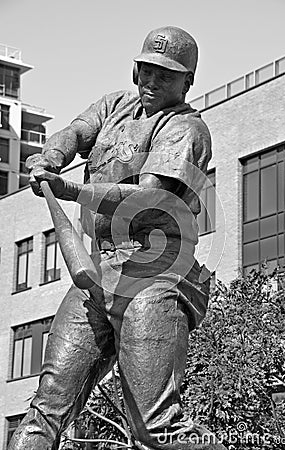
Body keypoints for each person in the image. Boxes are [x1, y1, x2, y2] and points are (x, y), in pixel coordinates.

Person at [9, 26, 226, 450]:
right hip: (102, 270)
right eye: (146, 70)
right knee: (45, 410)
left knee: (155, 429)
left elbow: (149, 200)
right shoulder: (115, 107)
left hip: (157, 270)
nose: (151, 81)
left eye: (165, 75)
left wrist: (72, 190)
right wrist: (50, 158)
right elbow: (75, 132)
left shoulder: (186, 128)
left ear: (188, 81)